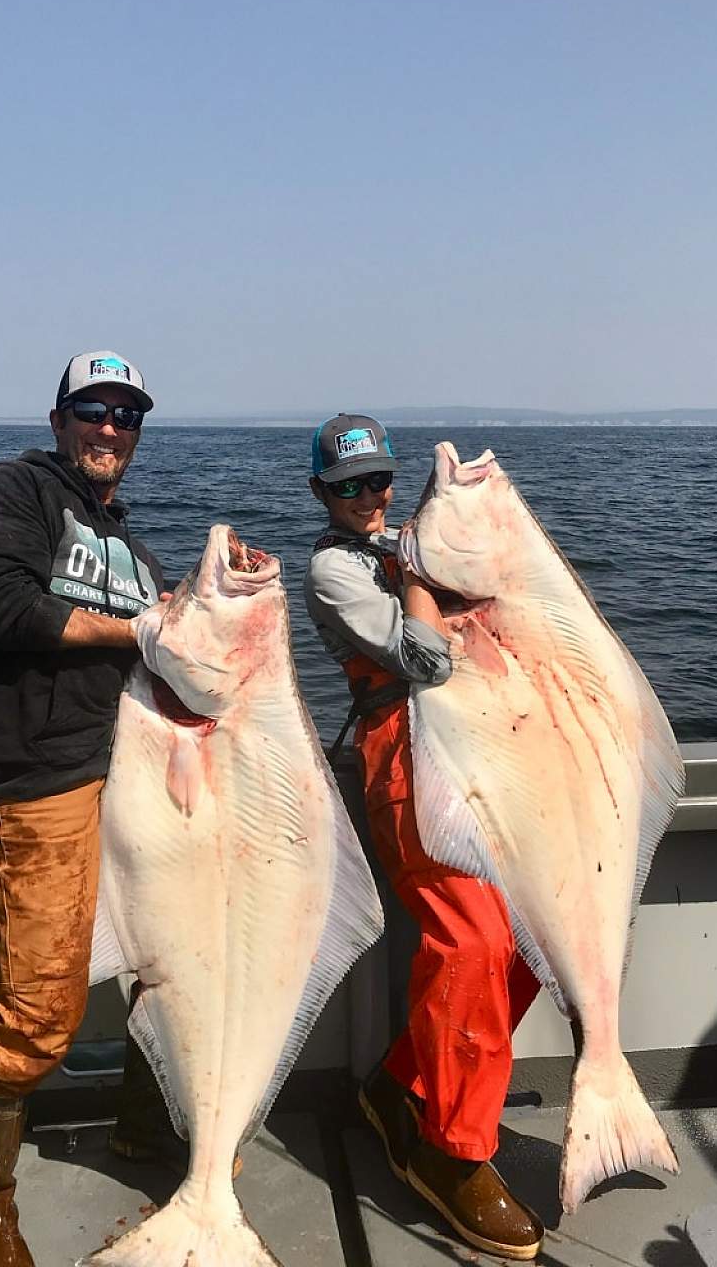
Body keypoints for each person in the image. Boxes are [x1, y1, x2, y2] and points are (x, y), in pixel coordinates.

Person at [304, 414, 544, 1262]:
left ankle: (404, 1084)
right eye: (348, 486)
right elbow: (427, 661)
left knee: (525, 943)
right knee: (471, 937)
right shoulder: (336, 568)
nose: (369, 498)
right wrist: (414, 574)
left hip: (476, 760)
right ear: (320, 494)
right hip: (403, 762)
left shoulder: (416, 542)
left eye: (378, 481)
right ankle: (452, 1152)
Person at [0, 350, 167, 1266]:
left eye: (125, 414)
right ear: (58, 418)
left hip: (145, 787)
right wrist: (141, 628)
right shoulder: (12, 491)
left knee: (167, 966)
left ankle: (143, 1136)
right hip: (46, 783)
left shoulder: (137, 550)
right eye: (93, 409)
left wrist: (191, 612)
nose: (109, 426)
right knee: (38, 1012)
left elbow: (170, 661)